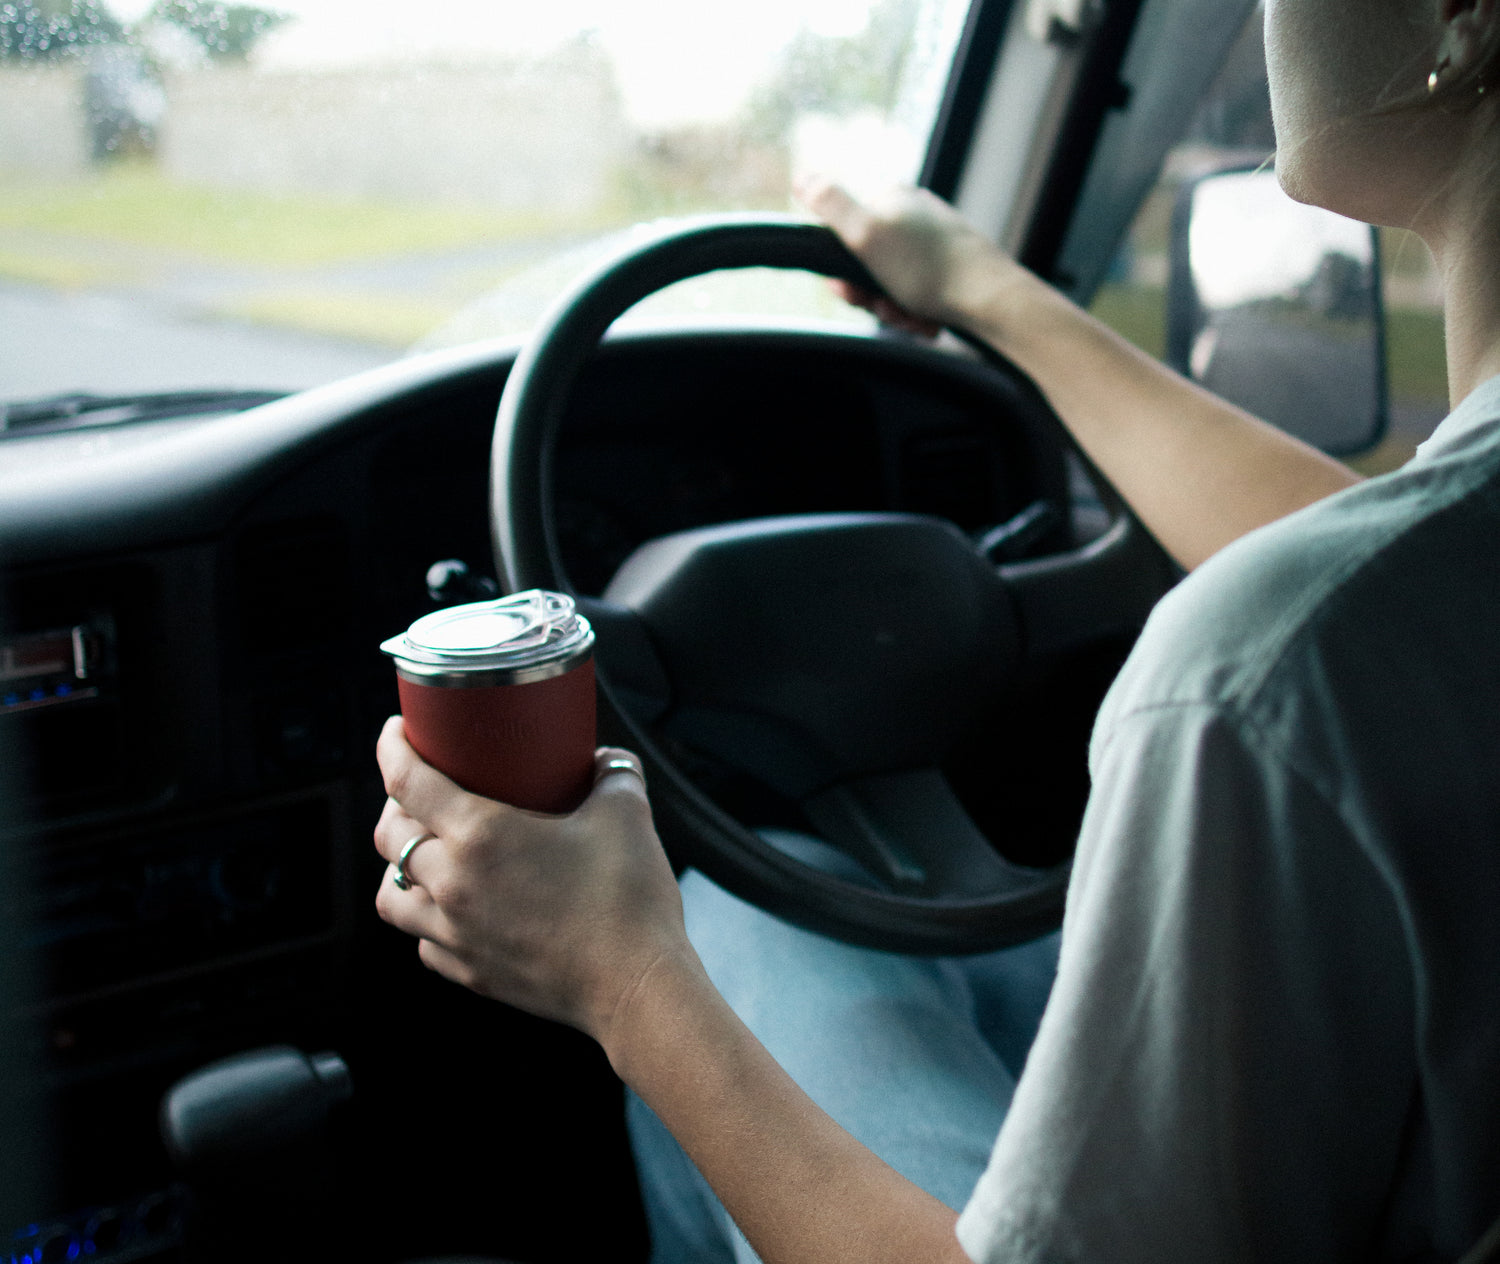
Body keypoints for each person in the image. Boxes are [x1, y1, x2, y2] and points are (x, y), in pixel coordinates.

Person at [371, 0, 1500, 1259]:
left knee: (753, 917)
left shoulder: (1266, 681)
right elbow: (1389, 575)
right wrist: (982, 289)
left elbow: (1330, 622)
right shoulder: (1397, 614)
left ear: (1465, 12)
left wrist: (620, 975)